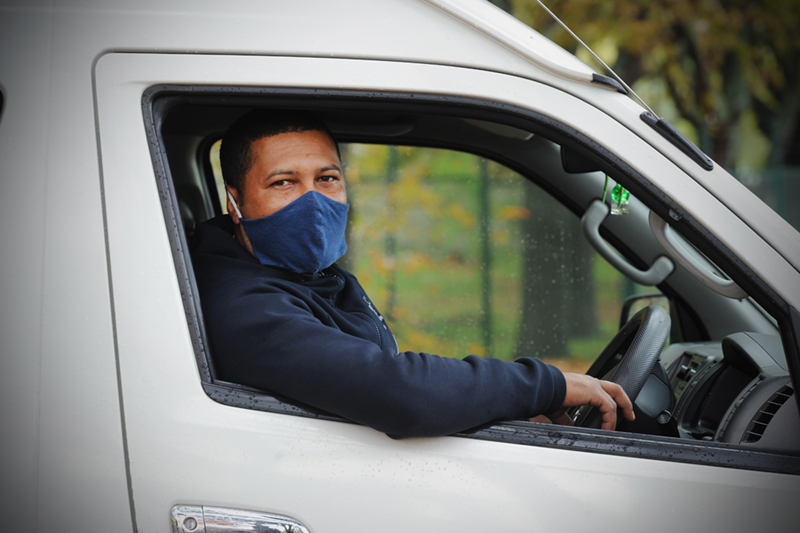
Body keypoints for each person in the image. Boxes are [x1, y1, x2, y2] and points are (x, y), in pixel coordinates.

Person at [190, 109, 634, 438]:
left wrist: (500, 408)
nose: (313, 202)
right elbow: (397, 391)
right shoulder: (243, 306)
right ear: (235, 202)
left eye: (327, 178)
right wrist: (545, 385)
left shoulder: (309, 274)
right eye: (283, 182)